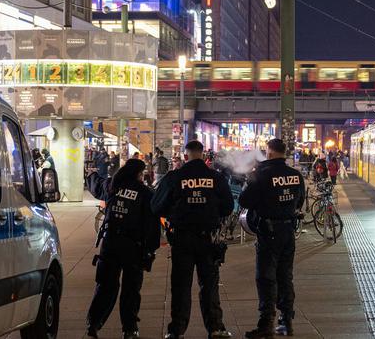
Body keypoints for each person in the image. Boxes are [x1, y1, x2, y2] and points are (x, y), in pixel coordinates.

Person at [152, 141, 234, 339]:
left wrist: (174, 213)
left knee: (181, 285)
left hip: (182, 238)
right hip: (208, 239)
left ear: (186, 155)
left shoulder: (175, 177)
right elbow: (228, 206)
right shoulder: (215, 177)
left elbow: (156, 206)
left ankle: (176, 330)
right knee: (209, 284)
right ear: (202, 154)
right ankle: (215, 328)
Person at [86, 159, 160, 339]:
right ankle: (129, 329)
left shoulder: (112, 186)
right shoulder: (144, 193)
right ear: (138, 174)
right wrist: (150, 250)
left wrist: (91, 173)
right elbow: (152, 225)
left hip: (110, 243)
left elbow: (95, 184)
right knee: (131, 290)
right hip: (133, 247)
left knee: (105, 286)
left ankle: (93, 324)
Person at [239, 139, 306, 338]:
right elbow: (300, 200)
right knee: (285, 276)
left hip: (268, 232)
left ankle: (266, 324)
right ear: (284, 152)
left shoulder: (260, 175)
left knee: (266, 277)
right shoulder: (295, 175)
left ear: (268, 153)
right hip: (288, 231)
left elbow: (244, 201)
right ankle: (286, 321)